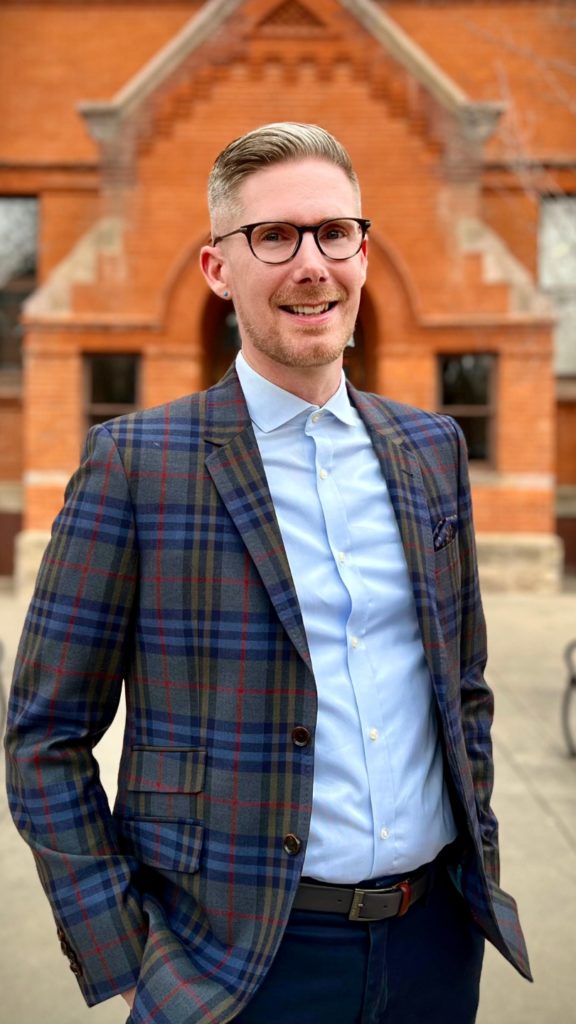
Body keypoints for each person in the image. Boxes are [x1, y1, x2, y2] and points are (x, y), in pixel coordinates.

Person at [5, 122, 530, 1024]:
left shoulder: (431, 450)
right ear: (219, 269)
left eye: (335, 233)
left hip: (433, 951)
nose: (311, 264)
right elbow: (43, 740)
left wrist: (475, 853)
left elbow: (462, 687)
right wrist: (132, 961)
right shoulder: (137, 465)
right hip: (232, 971)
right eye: (275, 237)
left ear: (362, 251)